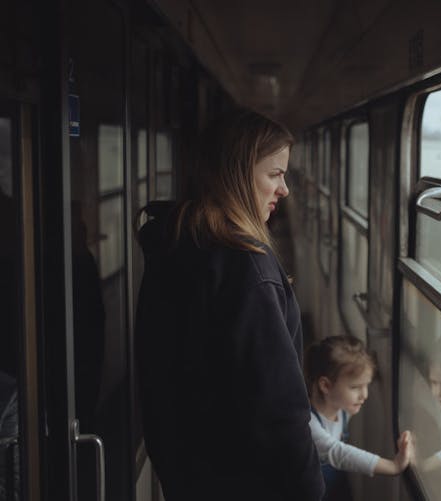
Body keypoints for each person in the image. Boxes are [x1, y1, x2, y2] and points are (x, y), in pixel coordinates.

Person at [135, 110, 324, 500]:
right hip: (247, 481)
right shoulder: (245, 265)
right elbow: (277, 407)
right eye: (275, 174)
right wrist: (310, 490)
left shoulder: (179, 241)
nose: (284, 189)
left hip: (191, 474)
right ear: (237, 175)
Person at [304, 335, 414, 501]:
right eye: (355, 387)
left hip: (332, 485)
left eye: (366, 385)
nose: (364, 395)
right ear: (325, 385)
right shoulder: (310, 424)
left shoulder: (343, 408)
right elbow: (338, 453)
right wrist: (393, 466)